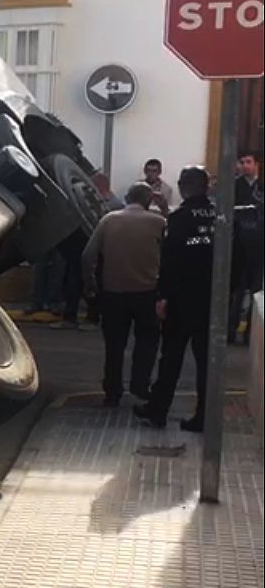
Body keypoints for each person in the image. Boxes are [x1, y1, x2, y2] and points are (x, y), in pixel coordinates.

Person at [135, 166, 215, 431]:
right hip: (212, 301)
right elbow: (236, 258)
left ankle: (158, 410)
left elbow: (170, 261)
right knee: (207, 363)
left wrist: (162, 296)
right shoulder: (221, 216)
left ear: (182, 187)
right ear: (207, 187)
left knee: (171, 358)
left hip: (182, 300)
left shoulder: (179, 218)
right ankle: (204, 416)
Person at [82, 182, 164, 407]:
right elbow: (171, 255)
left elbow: (88, 255)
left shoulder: (108, 220)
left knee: (114, 345)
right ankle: (140, 384)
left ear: (127, 198)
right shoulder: (158, 222)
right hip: (147, 292)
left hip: (113, 293)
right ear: (149, 201)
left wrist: (90, 283)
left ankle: (112, 391)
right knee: (147, 340)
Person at [228, 151, 263, 345]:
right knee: (236, 292)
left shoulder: (262, 186)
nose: (245, 166)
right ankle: (229, 332)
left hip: (259, 248)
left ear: (257, 164)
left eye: (248, 162)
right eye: (241, 162)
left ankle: (251, 334)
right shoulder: (234, 186)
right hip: (238, 247)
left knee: (257, 294)